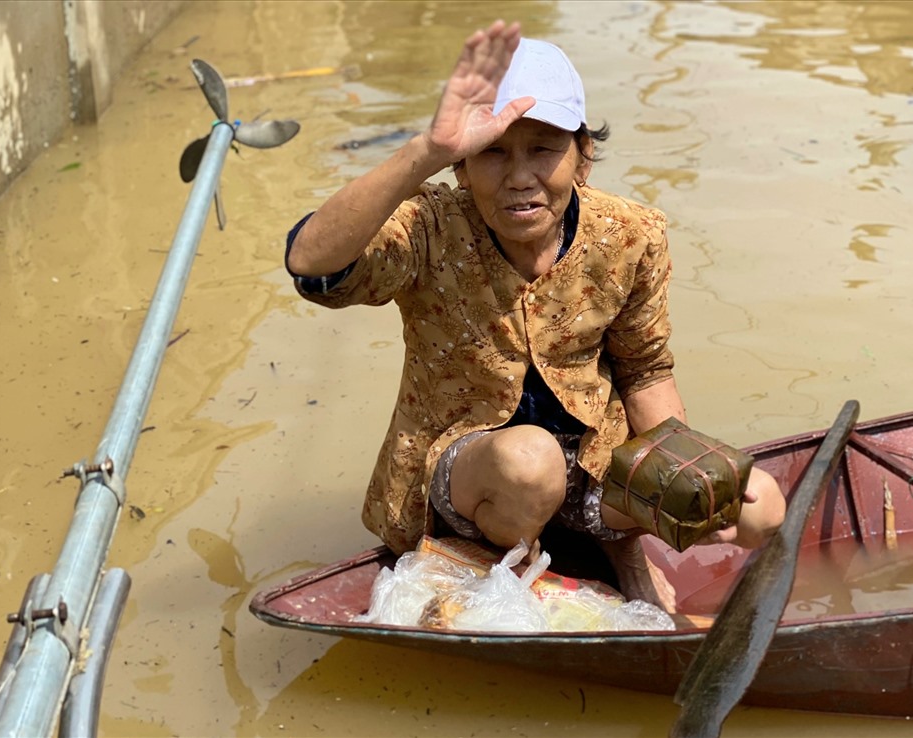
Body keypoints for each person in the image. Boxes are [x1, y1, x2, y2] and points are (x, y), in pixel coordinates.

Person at [285, 20, 786, 611]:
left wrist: (687, 483)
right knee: (531, 463)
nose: (520, 178)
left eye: (544, 148)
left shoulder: (630, 234)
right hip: (474, 471)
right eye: (491, 153)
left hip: (592, 459)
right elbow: (312, 267)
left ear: (583, 158)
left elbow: (645, 370)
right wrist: (427, 150)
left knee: (762, 502)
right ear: (462, 170)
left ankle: (616, 543)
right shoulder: (429, 225)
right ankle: (507, 566)